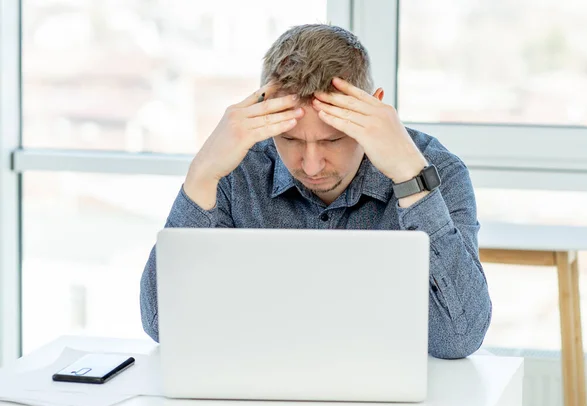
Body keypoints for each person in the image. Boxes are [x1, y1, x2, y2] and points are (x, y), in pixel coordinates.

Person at [140, 24, 492, 359]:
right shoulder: (236, 169)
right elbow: (162, 326)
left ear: (375, 109)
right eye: (289, 139)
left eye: (333, 139)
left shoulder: (435, 171)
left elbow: (459, 336)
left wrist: (410, 180)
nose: (310, 165)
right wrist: (201, 176)